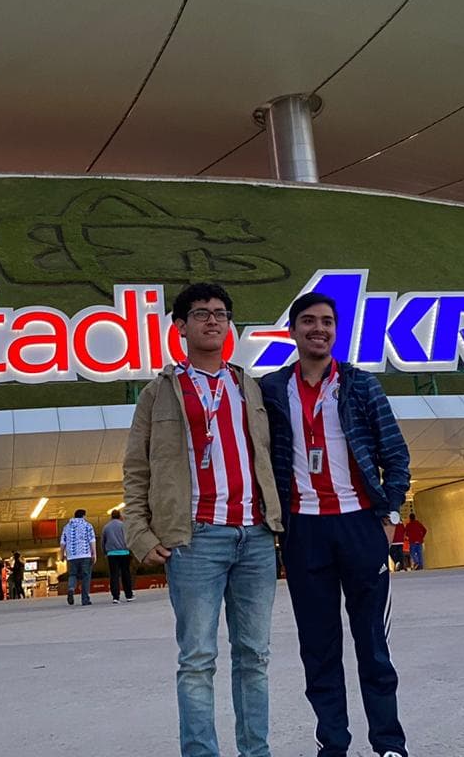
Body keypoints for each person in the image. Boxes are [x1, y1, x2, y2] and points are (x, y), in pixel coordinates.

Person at [122, 281, 281, 757]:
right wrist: (139, 533)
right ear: (181, 326)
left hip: (254, 538)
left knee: (254, 657)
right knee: (196, 660)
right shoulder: (159, 392)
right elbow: (136, 468)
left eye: (221, 313)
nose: (213, 320)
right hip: (195, 540)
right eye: (201, 313)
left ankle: (256, 752)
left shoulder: (248, 385)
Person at [262, 291, 411, 757]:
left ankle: (388, 743)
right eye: (308, 321)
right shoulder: (269, 389)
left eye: (327, 321)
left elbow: (396, 456)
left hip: (359, 526)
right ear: (293, 330)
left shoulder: (361, 385)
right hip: (304, 530)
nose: (318, 329)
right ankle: (333, 744)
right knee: (319, 648)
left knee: (372, 644)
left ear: (335, 330)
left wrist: (388, 517)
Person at [60, 509, 97, 606]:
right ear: (84, 516)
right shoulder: (87, 526)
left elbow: (63, 542)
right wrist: (94, 553)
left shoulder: (66, 527)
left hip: (72, 556)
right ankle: (85, 599)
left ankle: (71, 589)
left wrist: (61, 555)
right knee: (86, 576)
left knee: (73, 575)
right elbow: (92, 540)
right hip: (85, 554)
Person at [102, 509, 135, 604]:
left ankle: (115, 597)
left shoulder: (106, 527)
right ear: (120, 516)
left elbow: (103, 541)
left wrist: (105, 552)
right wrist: (130, 551)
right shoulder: (124, 526)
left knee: (114, 575)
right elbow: (129, 539)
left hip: (111, 554)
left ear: (111, 516)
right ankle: (128, 595)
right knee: (126, 574)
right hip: (124, 553)